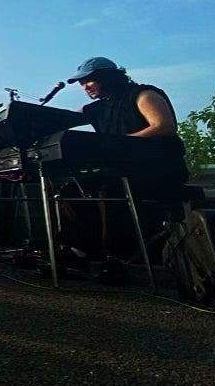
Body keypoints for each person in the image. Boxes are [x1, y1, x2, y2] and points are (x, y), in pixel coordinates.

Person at [65, 56, 189, 275]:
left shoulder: (142, 94)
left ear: (107, 77)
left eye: (89, 81)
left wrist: (121, 144)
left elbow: (163, 126)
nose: (85, 87)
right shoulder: (97, 108)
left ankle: (116, 258)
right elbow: (60, 120)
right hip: (119, 173)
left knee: (110, 190)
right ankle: (78, 253)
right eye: (82, 83)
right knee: (72, 190)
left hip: (158, 171)